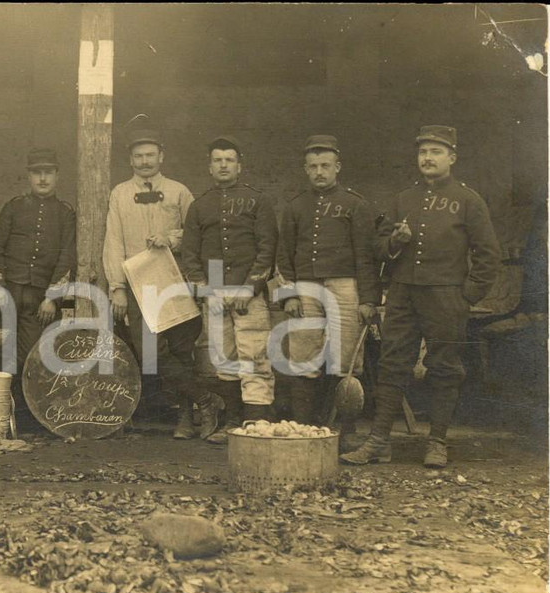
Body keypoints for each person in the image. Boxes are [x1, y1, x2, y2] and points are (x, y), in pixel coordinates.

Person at [341, 125, 501, 468]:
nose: (427, 158)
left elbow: (488, 255)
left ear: (452, 158)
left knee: (444, 367)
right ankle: (379, 441)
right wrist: (396, 242)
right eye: (423, 153)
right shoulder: (403, 200)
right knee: (391, 364)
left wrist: (466, 296)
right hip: (402, 295)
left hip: (446, 298)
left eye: (436, 152)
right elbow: (378, 247)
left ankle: (438, 441)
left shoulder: (469, 200)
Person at [102, 129, 222, 439]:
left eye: (150, 155)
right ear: (130, 160)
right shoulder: (119, 193)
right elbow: (113, 241)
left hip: (174, 282)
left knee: (182, 352)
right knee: (151, 353)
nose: (144, 161)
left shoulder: (179, 192)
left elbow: (198, 234)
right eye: (138, 156)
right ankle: (206, 400)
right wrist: (117, 287)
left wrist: (170, 238)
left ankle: (185, 418)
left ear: (161, 157)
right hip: (139, 285)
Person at [276, 135, 379, 450]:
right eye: (313, 166)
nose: (319, 172)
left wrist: (368, 299)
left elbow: (366, 256)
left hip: (345, 287)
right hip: (306, 288)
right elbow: (284, 255)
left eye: (325, 165)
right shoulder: (295, 207)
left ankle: (346, 431)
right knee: (303, 357)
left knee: (345, 359)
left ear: (338, 167)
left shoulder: (356, 204)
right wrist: (290, 295)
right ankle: (304, 428)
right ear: (306, 170)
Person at [181, 135, 278, 444]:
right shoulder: (199, 206)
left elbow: (267, 249)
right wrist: (208, 290)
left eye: (229, 160)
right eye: (218, 160)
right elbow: (190, 255)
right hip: (215, 295)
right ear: (210, 167)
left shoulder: (258, 201)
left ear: (240, 165)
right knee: (224, 360)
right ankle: (232, 423)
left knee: (255, 356)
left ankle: (256, 424)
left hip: (249, 296)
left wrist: (249, 288)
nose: (223, 165)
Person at [0, 148, 76, 374]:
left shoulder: (65, 213)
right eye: (37, 173)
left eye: (48, 172)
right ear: (29, 176)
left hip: (40, 298)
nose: (43, 178)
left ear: (57, 175)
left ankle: (24, 409)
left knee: (34, 357)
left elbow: (67, 256)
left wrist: (52, 298)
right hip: (9, 290)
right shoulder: (13, 207)